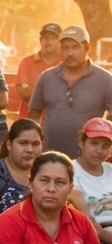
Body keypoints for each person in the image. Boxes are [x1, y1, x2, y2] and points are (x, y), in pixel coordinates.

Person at [29, 25, 112, 159]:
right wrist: (33, 144)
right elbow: (33, 116)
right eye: (65, 48)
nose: (70, 53)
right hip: (51, 158)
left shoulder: (105, 79)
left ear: (87, 49)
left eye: (75, 47)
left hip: (89, 161)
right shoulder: (47, 77)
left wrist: (103, 140)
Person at [73, 117, 112, 244]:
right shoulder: (70, 170)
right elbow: (88, 221)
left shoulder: (110, 170)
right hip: (95, 236)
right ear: (81, 142)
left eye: (105, 146)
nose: (99, 151)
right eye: (94, 143)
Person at [14, 23, 62, 118]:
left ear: (59, 42)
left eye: (53, 38)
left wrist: (35, 91)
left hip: (58, 119)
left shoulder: (66, 63)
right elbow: (23, 92)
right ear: (40, 41)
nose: (48, 41)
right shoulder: (26, 62)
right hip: (29, 119)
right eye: (45, 38)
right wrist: (54, 95)